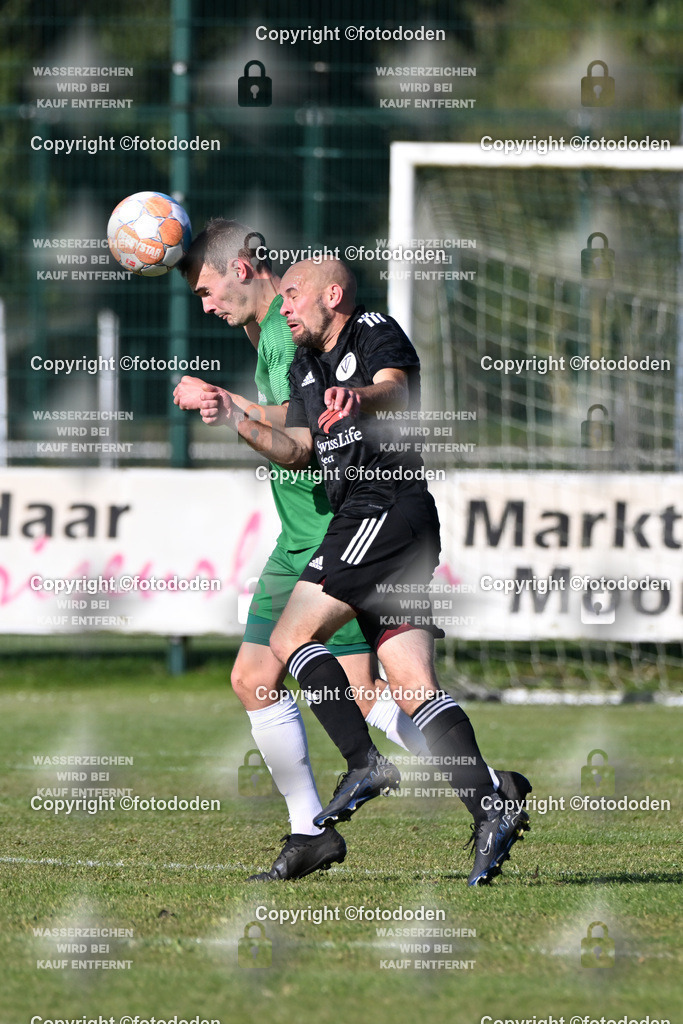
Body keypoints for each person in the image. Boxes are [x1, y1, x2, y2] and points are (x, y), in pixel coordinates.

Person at [202, 256, 531, 886]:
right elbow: (299, 447)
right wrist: (239, 420)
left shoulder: (372, 327)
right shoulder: (303, 365)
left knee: (290, 638)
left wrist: (359, 396)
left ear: (333, 295)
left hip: (383, 505)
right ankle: (493, 802)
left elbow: (395, 388)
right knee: (411, 689)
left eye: (293, 296)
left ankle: (364, 762)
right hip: (389, 522)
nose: (285, 306)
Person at [173, 221, 432, 881]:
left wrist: (220, 402)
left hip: (327, 530)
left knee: (356, 688)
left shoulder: (296, 335)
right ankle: (311, 830)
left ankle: (476, 783)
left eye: (207, 290)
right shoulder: (266, 333)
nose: (204, 306)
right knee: (268, 680)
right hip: (297, 536)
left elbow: (303, 432)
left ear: (243, 268)